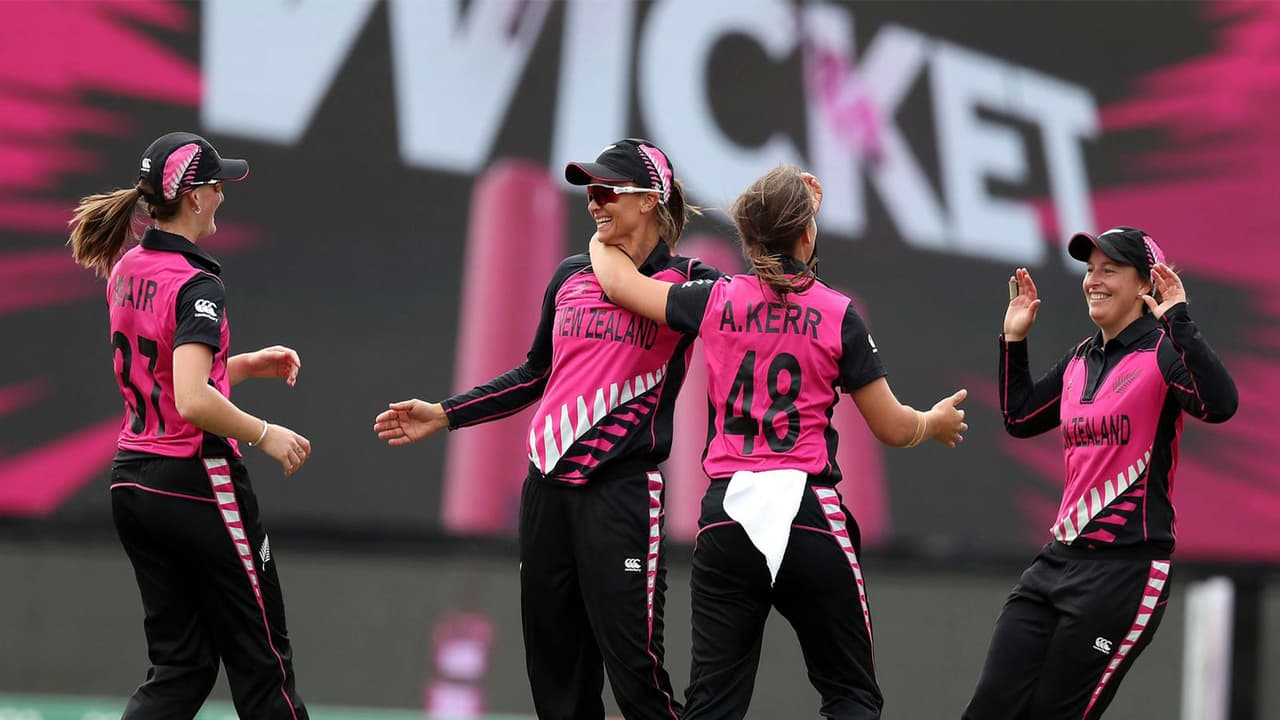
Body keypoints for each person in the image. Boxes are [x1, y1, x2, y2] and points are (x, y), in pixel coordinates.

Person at [588, 164, 969, 720]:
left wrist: (604, 235)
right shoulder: (840, 314)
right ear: (808, 233)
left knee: (712, 707)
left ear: (746, 237)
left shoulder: (714, 298)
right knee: (851, 695)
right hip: (808, 513)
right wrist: (931, 423)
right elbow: (891, 427)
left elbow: (619, 284)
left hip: (726, 517)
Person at [374, 138, 720, 720]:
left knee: (638, 674)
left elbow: (751, 318)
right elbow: (537, 374)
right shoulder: (569, 275)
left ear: (649, 200)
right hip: (547, 494)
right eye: (589, 190)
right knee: (555, 677)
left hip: (624, 494)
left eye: (608, 189)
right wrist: (446, 412)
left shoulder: (690, 282)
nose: (593, 202)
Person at [68, 131, 312, 720]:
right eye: (216, 185)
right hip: (196, 480)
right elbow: (193, 400)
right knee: (264, 666)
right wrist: (264, 432)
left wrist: (245, 366)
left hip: (135, 482)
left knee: (180, 670)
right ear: (195, 197)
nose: (223, 196)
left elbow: (168, 377)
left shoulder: (130, 265)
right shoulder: (197, 283)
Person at [963, 227, 1238, 719]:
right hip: (1056, 563)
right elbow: (1020, 417)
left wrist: (1179, 318)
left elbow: (1220, 404)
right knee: (990, 708)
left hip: (1125, 572)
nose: (1094, 280)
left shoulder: (1163, 350)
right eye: (1090, 270)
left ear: (1144, 283)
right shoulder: (1080, 358)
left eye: (1110, 270)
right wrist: (1014, 339)